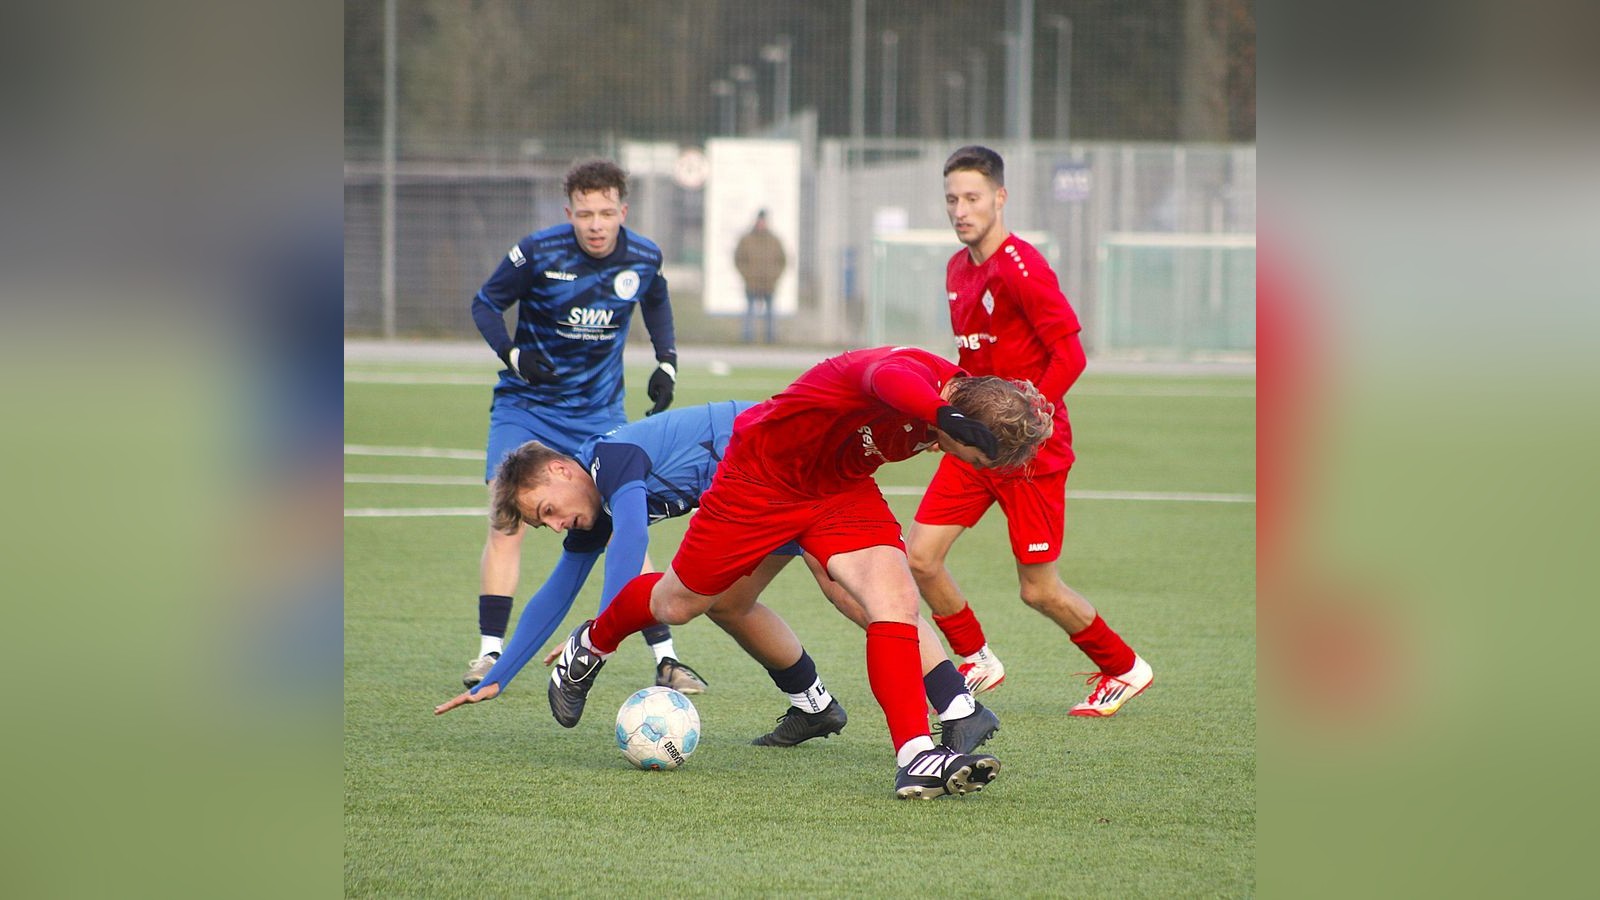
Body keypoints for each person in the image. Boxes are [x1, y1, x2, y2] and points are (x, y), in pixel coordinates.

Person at [543, 347, 1053, 799]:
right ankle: (590, 645)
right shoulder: (914, 376)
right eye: (976, 458)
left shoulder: (966, 398)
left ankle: (915, 757)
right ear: (960, 419)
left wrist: (969, 419)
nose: (972, 466)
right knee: (677, 604)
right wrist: (943, 415)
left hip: (838, 488)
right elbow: (884, 378)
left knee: (894, 602)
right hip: (760, 478)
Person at [432, 402, 1002, 756]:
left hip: (785, 467)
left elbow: (633, 539)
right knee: (731, 603)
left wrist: (603, 633)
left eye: (546, 510)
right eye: (543, 524)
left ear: (560, 469)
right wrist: (500, 674)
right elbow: (559, 586)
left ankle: (958, 707)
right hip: (758, 496)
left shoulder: (610, 457)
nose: (555, 526)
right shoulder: (590, 499)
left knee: (860, 597)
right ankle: (815, 705)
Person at [910, 145, 1153, 716]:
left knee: (1038, 590)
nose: (960, 210)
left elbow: (1070, 355)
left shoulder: (1021, 268)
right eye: (952, 199)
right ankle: (976, 658)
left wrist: (1029, 417)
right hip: (976, 445)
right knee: (919, 556)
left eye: (972, 198)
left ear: (1000, 197)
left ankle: (1123, 666)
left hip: (1028, 453)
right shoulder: (956, 269)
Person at [463, 159, 702, 693]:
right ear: (568, 212)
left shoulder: (643, 256)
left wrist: (666, 361)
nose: (596, 224)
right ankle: (489, 653)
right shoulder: (538, 252)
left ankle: (666, 657)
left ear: (623, 210)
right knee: (507, 520)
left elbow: (657, 300)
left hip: (598, 411)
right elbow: (485, 304)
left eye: (606, 212)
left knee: (626, 521)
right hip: (527, 404)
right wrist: (513, 354)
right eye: (585, 213)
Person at [732, 209, 786, 344]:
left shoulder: (774, 240)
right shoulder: (746, 239)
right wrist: (747, 275)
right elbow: (738, 259)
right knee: (750, 312)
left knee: (770, 313)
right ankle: (747, 338)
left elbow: (782, 260)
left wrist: (775, 276)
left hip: (769, 283)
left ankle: (771, 338)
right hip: (752, 283)